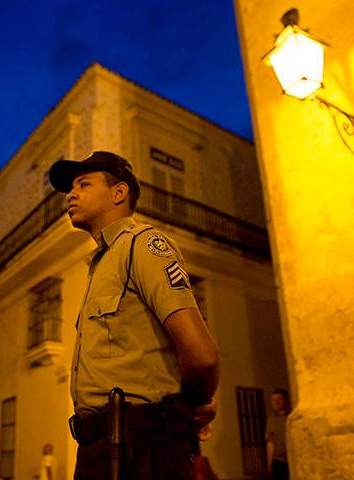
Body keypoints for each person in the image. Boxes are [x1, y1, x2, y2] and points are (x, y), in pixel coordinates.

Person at [48, 151, 220, 480]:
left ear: (119, 192)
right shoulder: (102, 264)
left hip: (141, 446)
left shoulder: (143, 245)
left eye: (84, 184)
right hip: (97, 448)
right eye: (71, 187)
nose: (71, 194)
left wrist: (198, 403)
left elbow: (203, 357)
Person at [266, 388, 291, 480]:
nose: (276, 402)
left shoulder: (291, 417)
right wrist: (269, 464)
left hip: (290, 461)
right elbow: (270, 442)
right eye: (273, 400)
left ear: (285, 400)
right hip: (277, 462)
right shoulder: (271, 420)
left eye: (278, 399)